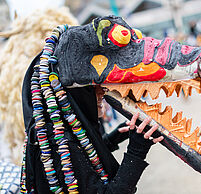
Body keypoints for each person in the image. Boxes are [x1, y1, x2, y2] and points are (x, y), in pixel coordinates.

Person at [21, 61, 164, 193]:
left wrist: (112, 139)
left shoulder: (52, 131)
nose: (102, 91)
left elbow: (82, 164)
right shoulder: (60, 144)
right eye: (89, 87)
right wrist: (136, 150)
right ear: (69, 93)